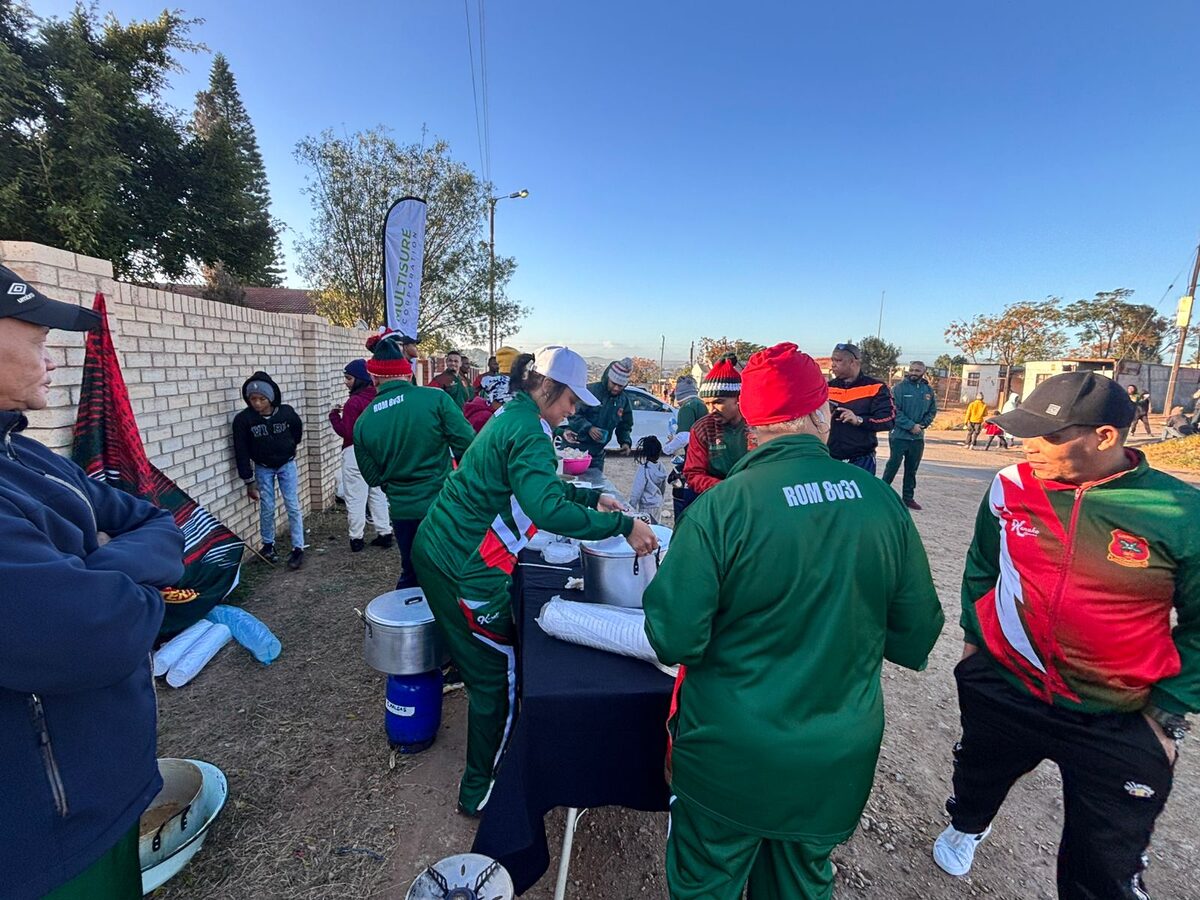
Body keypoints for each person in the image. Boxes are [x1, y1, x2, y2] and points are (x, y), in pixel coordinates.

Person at [643, 342, 944, 900]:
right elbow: (916, 635)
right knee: (800, 884)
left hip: (730, 752)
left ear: (752, 424)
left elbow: (673, 637)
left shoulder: (721, 508)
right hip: (834, 758)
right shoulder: (881, 502)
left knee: (705, 881)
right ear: (821, 415)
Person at [931, 372, 1198, 898]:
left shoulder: (1180, 512)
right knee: (977, 776)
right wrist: (973, 648)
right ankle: (968, 824)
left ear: (1105, 436)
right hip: (1005, 687)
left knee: (1102, 869)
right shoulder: (1010, 484)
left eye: (1048, 435)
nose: (1027, 445)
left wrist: (1167, 712)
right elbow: (983, 565)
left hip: (1117, 714)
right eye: (1024, 431)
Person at [0, 265, 185, 899]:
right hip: (41, 837)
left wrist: (93, 573)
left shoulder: (29, 458)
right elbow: (91, 633)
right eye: (38, 341)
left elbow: (154, 520)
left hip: (103, 789)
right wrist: (121, 584)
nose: (53, 359)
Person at [412, 346, 659, 816]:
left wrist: (588, 498)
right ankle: (481, 789)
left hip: (441, 548)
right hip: (466, 566)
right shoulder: (529, 429)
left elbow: (531, 487)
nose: (573, 409)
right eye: (570, 399)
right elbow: (545, 509)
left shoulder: (516, 415)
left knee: (483, 659)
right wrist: (623, 526)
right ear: (546, 385)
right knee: (498, 676)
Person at [353, 334, 476, 590]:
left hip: (402, 510)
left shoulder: (363, 421)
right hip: (441, 504)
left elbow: (372, 477)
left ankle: (409, 612)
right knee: (448, 572)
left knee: (411, 571)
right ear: (408, 374)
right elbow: (468, 444)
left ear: (374, 378)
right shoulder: (435, 399)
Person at [233, 370, 306, 569]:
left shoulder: (286, 413)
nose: (257, 403)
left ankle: (298, 547)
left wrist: (288, 448)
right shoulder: (243, 420)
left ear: (271, 397)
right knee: (267, 506)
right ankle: (268, 545)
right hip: (263, 467)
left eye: (262, 399)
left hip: (286, 464)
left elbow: (297, 432)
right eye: (253, 399)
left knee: (292, 505)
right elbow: (241, 449)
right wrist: (249, 480)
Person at [329, 359, 394, 553]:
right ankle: (385, 533)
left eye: (349, 378)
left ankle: (356, 538)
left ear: (360, 379)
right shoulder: (379, 399)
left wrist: (334, 416)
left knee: (356, 497)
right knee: (377, 494)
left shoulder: (353, 402)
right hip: (377, 452)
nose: (346, 382)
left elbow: (347, 432)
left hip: (355, 452)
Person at [682, 355, 751, 504]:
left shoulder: (757, 426)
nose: (711, 410)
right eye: (707, 404)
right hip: (717, 499)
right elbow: (693, 474)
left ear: (738, 399)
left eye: (718, 402)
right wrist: (726, 488)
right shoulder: (702, 428)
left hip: (753, 495)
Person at [826, 341, 896, 473]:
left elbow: (889, 420)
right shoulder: (826, 388)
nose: (833, 365)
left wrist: (859, 420)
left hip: (861, 461)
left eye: (838, 360)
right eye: (832, 360)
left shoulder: (876, 387)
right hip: (829, 458)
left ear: (853, 362)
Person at [882, 361, 937, 510]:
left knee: (912, 469)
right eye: (911, 370)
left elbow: (932, 411)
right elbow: (894, 411)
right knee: (893, 466)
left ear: (923, 372)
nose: (913, 373)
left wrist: (922, 425)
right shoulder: (899, 389)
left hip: (917, 438)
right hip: (899, 436)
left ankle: (908, 498)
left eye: (917, 370)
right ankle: (881, 495)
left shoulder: (928, 390)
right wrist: (910, 425)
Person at [564, 356, 635, 472]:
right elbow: (573, 414)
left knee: (595, 482)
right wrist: (588, 428)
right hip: (575, 451)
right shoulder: (590, 392)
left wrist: (625, 442)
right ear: (608, 378)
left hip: (597, 455)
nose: (616, 388)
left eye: (620, 386)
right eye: (614, 383)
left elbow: (625, 425)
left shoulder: (623, 401)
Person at [664, 374, 708, 519]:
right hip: (706, 460)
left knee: (685, 506)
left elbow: (684, 436)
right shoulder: (701, 405)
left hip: (693, 460)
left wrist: (668, 448)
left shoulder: (687, 408)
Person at [629, 435, 668, 523]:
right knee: (656, 525)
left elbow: (637, 491)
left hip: (646, 506)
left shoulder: (643, 469)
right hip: (657, 504)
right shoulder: (661, 467)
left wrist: (631, 507)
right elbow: (663, 488)